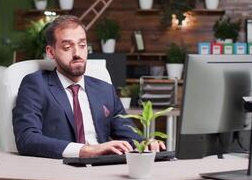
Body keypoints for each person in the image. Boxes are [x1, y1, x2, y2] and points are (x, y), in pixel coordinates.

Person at [12, 15, 164, 159]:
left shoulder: (105, 90)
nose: (77, 53)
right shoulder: (36, 84)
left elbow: (131, 137)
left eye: (82, 45)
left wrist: (147, 144)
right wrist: (86, 150)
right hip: (61, 169)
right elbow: (27, 139)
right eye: (67, 47)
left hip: (105, 170)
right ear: (51, 52)